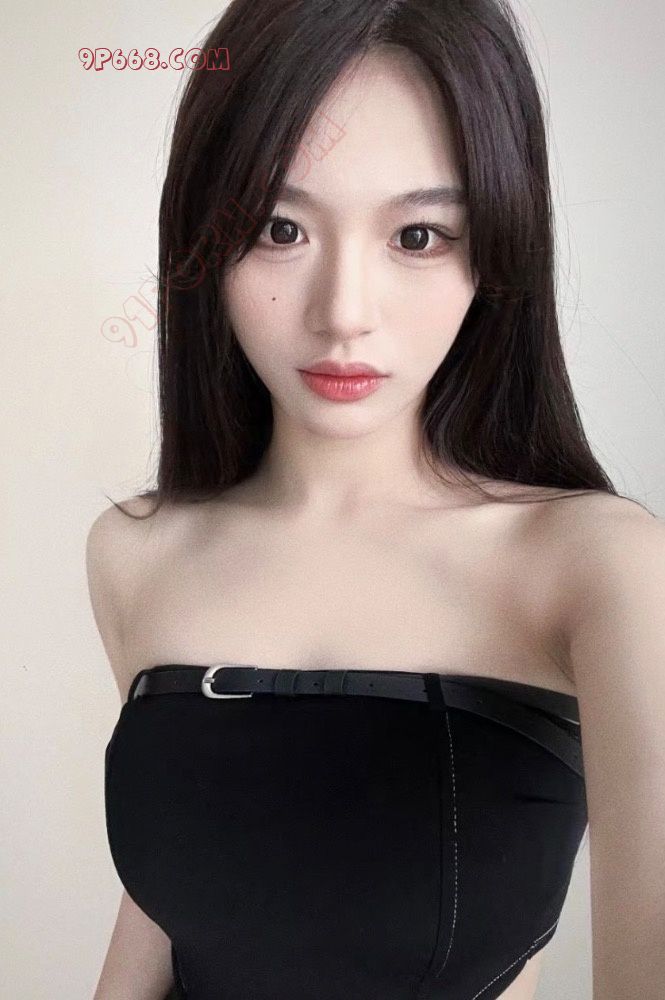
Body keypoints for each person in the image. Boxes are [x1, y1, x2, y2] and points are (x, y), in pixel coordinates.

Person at [87, 2, 665, 999]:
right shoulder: (137, 552)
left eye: (417, 234)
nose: (343, 312)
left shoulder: (594, 568)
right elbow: (180, 896)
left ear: (496, 248)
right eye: (278, 228)